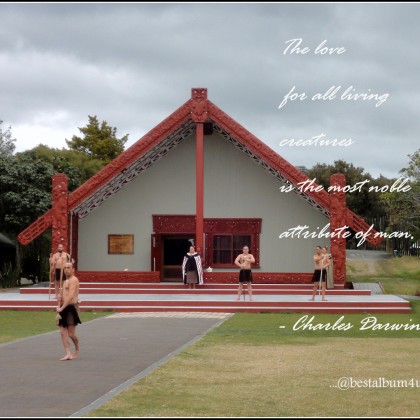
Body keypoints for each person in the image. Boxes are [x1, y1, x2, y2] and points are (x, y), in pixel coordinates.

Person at [56, 262, 81, 361]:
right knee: (62, 331)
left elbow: (70, 296)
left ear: (73, 270)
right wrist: (60, 297)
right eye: (65, 268)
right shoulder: (65, 281)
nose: (66, 269)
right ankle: (68, 353)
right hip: (64, 307)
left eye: (68, 268)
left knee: (71, 334)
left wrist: (61, 308)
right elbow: (64, 295)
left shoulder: (74, 280)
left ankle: (77, 348)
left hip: (71, 308)